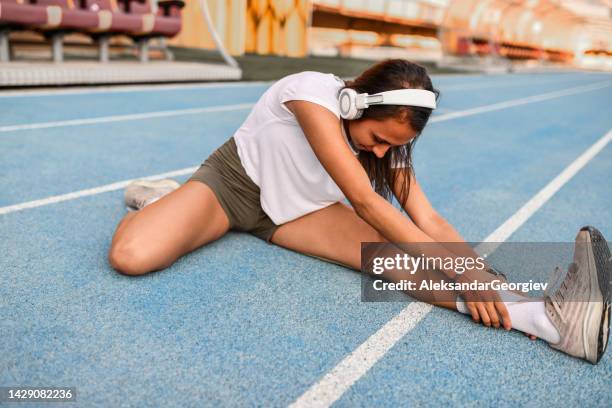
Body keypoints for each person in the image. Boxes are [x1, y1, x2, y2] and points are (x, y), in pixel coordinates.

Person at [108, 59, 610, 364]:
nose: (379, 154)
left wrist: (475, 273)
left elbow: (428, 221)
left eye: (392, 147)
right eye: (377, 140)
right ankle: (163, 202)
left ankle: (552, 321)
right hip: (233, 187)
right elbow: (368, 204)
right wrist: (465, 273)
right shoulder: (311, 95)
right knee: (132, 256)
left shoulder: (383, 146)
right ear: (354, 104)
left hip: (298, 214)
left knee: (395, 260)